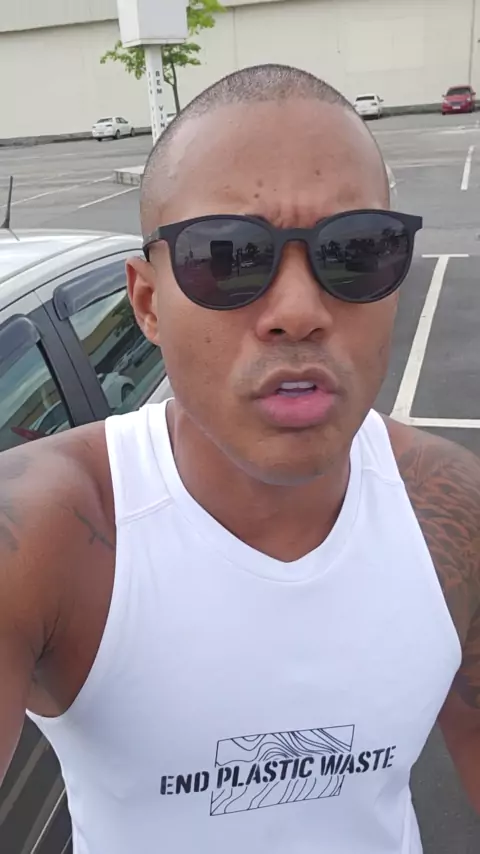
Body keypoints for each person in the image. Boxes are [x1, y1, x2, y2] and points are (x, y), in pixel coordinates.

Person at [0, 63, 479, 853]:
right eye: (227, 257)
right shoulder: (41, 532)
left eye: (356, 250)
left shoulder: (453, 513)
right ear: (148, 304)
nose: (298, 311)